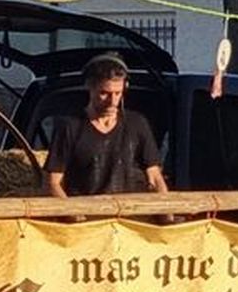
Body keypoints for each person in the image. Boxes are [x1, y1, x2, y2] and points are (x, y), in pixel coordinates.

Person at [44, 52, 169, 197]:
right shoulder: (69, 126)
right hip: (87, 216)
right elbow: (53, 182)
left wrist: (167, 216)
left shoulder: (137, 123)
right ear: (90, 87)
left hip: (129, 216)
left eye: (117, 93)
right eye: (104, 93)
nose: (112, 102)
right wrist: (74, 216)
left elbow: (154, 176)